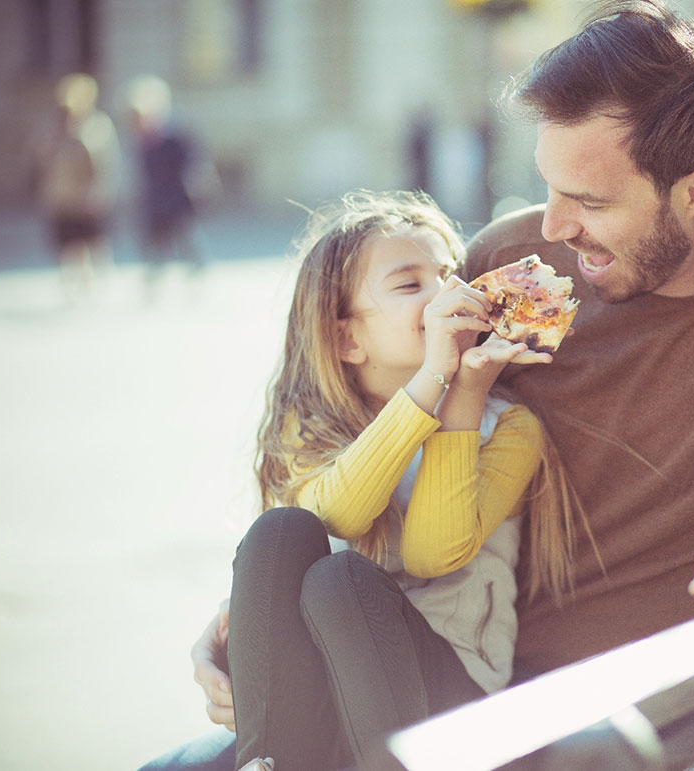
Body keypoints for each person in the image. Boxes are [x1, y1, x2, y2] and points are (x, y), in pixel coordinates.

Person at [140, 3, 694, 768]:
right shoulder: (514, 262)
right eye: (547, 186)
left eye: (587, 199)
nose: (554, 226)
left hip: (629, 728)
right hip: (428, 678)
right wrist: (259, 610)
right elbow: (382, 421)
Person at [224, 190, 584, 770]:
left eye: (450, 273)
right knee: (280, 532)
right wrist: (429, 381)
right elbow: (331, 519)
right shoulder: (310, 429)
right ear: (347, 340)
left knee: (344, 581)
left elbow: (431, 553)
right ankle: (263, 763)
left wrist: (461, 390)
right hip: (328, 711)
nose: (448, 293)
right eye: (409, 283)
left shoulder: (509, 429)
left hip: (455, 714)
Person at [29, 72, 120, 303]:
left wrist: (99, 192)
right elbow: (39, 156)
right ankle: (71, 283)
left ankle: (99, 281)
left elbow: (103, 162)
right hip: (61, 196)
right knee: (68, 243)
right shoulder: (53, 128)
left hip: (88, 196)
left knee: (93, 240)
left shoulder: (97, 125)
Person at [125, 74, 216, 298]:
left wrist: (198, 189)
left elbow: (194, 164)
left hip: (178, 199)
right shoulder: (142, 141)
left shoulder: (175, 135)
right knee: (156, 246)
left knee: (188, 242)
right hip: (156, 202)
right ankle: (152, 284)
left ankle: (196, 278)